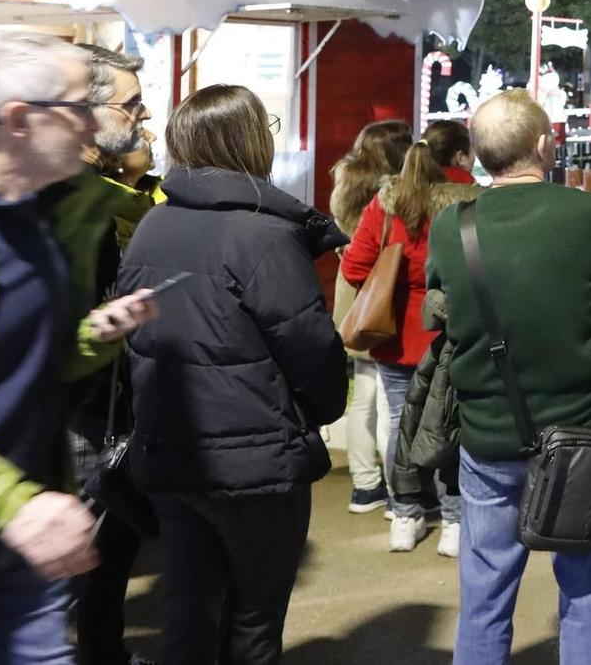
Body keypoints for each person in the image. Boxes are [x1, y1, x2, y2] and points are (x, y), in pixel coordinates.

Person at [0, 32, 156, 664]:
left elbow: (19, 358)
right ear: (19, 120)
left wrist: (91, 334)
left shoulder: (55, 219)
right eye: (77, 106)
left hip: (26, 543)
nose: (94, 123)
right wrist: (9, 505)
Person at [118, 85, 348, 665]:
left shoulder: (153, 227)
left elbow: (133, 335)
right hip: (258, 468)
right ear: (250, 140)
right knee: (253, 624)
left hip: (171, 452)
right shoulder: (266, 237)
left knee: (189, 615)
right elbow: (313, 355)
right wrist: (316, 411)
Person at [426, 90, 591, 664]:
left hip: (490, 429)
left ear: (481, 155)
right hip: (583, 431)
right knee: (588, 592)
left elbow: (443, 295)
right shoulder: (587, 214)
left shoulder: (452, 224)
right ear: (543, 144)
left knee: (484, 595)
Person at [341, 131, 480, 556]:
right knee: (451, 423)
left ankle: (405, 515)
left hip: (397, 335)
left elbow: (355, 266)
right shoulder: (469, 202)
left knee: (401, 421)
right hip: (450, 333)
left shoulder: (386, 205)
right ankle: (454, 521)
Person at [64, 46, 157, 665]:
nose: (142, 116)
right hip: (81, 411)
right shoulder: (74, 205)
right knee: (90, 552)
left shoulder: (107, 197)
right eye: (130, 104)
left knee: (99, 553)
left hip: (94, 403)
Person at [329, 119, 413, 516]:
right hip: (386, 298)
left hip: (354, 301)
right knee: (388, 403)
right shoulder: (393, 193)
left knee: (363, 398)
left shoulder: (344, 184)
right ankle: (399, 495)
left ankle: (364, 486)